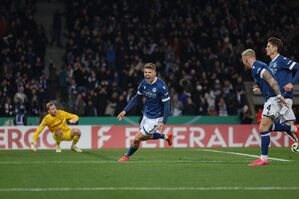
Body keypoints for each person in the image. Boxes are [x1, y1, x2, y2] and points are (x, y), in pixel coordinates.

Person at [241, 49, 298, 166]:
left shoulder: (257, 66)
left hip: (273, 99)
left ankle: (263, 158)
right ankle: (294, 129)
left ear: (246, 58)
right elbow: (268, 79)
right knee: (268, 127)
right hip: (271, 99)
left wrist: (279, 96)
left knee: (263, 128)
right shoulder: (258, 66)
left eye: (243, 60)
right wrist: (260, 87)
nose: (243, 63)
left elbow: (271, 80)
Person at [117, 63, 172, 162]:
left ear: (155, 73)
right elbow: (136, 98)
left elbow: (167, 105)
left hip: (156, 118)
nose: (147, 74)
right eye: (145, 72)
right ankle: (166, 136)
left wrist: (164, 122)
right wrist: (125, 110)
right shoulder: (143, 84)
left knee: (137, 138)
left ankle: (126, 156)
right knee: (144, 137)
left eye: (149, 72)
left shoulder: (161, 86)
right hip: (146, 115)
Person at [265, 37, 299, 142]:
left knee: (266, 126)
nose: (266, 48)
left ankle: (263, 158)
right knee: (291, 130)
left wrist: (291, 83)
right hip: (279, 99)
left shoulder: (281, 60)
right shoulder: (271, 63)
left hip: (282, 99)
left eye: (268, 46)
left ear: (275, 48)